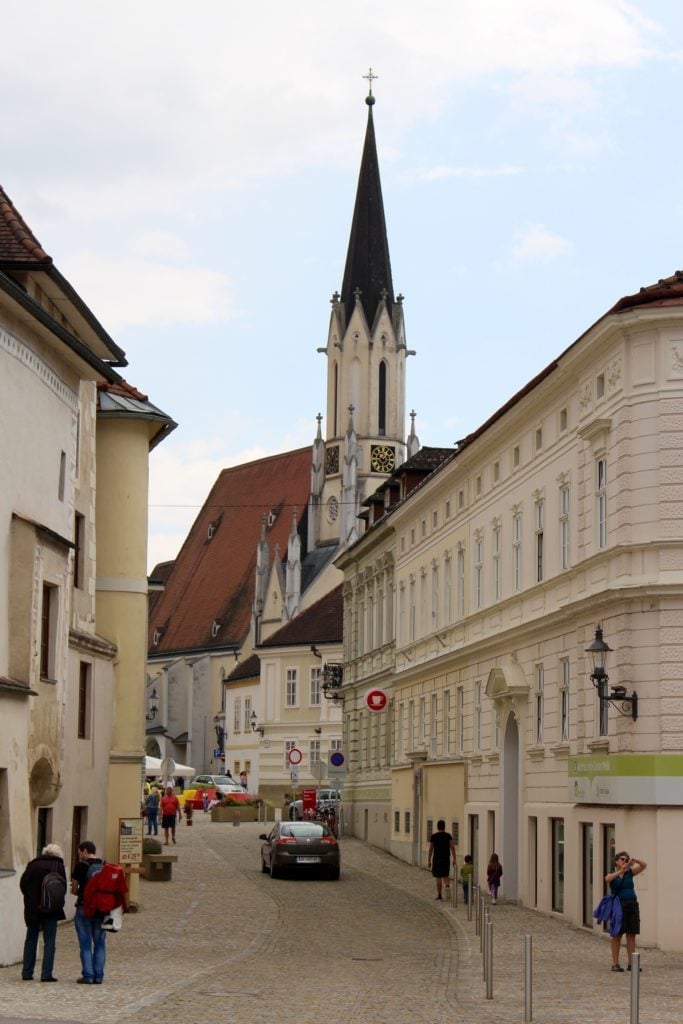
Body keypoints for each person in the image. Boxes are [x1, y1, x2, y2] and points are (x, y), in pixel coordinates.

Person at [19, 843, 67, 982]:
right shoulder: (58, 866)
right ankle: (46, 974)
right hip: (50, 909)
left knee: (31, 940)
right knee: (49, 941)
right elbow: (61, 888)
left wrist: (30, 899)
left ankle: (27, 972)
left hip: (33, 908)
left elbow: (23, 884)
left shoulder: (32, 865)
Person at [605, 851, 647, 972]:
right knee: (617, 934)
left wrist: (636, 861)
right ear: (617, 861)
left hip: (632, 905)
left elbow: (644, 866)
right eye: (622, 859)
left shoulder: (630, 873)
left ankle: (631, 963)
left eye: (626, 859)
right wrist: (620, 871)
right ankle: (615, 963)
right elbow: (607, 879)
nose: (624, 861)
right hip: (619, 906)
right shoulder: (614, 874)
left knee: (631, 933)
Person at [71, 841, 105, 984]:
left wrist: (79, 892)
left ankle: (88, 975)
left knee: (85, 943)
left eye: (79, 853)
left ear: (84, 851)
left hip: (84, 908)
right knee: (100, 943)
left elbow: (74, 888)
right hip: (101, 909)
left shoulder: (80, 866)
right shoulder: (104, 865)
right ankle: (99, 975)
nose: (79, 856)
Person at [427, 820, 456, 901]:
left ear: (437, 827)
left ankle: (439, 895)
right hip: (446, 859)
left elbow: (431, 849)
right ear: (444, 827)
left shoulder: (434, 836)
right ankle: (447, 886)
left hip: (437, 859)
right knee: (446, 875)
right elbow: (452, 847)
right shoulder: (448, 836)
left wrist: (429, 860)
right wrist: (454, 859)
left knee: (438, 877)